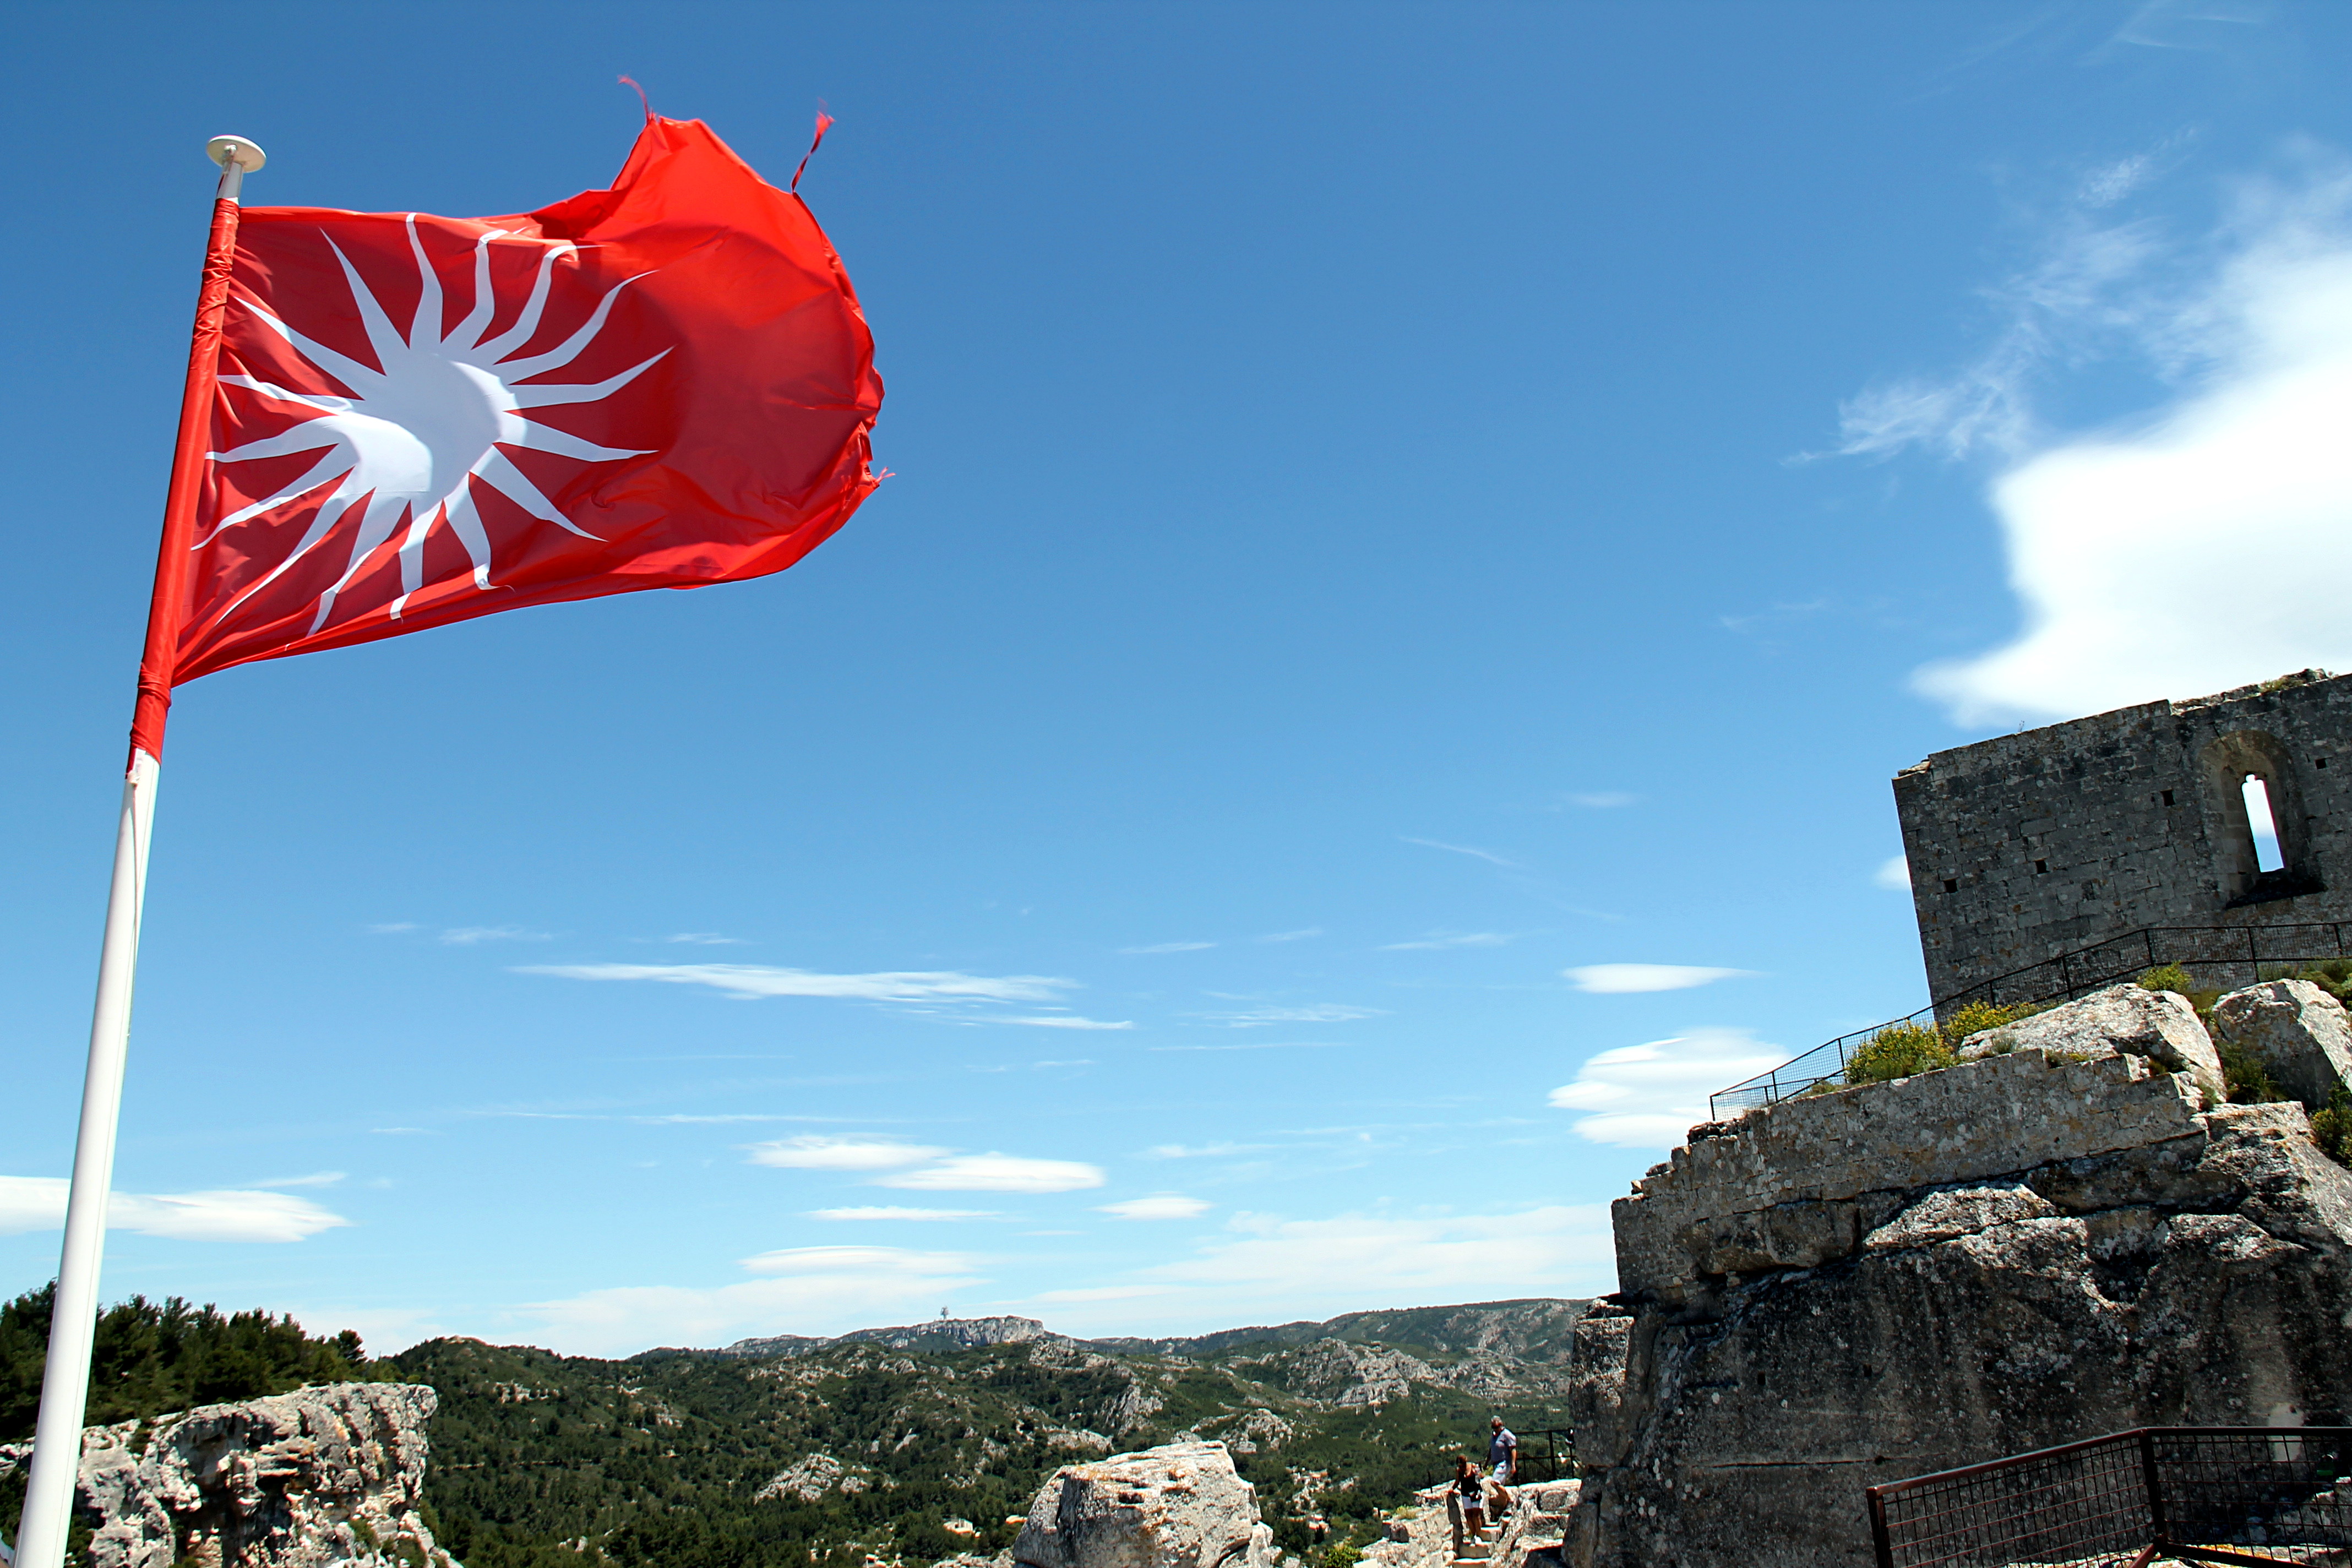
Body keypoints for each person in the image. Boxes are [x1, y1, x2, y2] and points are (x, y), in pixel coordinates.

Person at [1451, 1453, 1487, 1544]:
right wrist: (1452, 1489)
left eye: (1462, 1464)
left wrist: (1477, 1474)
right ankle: (1473, 1535)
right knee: (1468, 1516)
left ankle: (1479, 1536)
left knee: (1476, 1515)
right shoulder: (1459, 1471)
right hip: (1466, 1494)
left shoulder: (1473, 1466)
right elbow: (1458, 1481)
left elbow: (1481, 1477)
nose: (1461, 1466)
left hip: (1476, 1492)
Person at [1487, 1417, 1517, 1512]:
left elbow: (1513, 1449)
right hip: (1496, 1463)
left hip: (1504, 1463)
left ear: (1501, 1425)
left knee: (1494, 1483)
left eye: (1496, 1427)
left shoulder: (1506, 1435)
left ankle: (1511, 1499)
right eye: (1493, 1427)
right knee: (1500, 1487)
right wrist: (1487, 1463)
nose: (1495, 1429)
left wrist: (1513, 1464)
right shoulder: (1494, 1436)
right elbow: (1492, 1450)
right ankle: (1507, 1509)